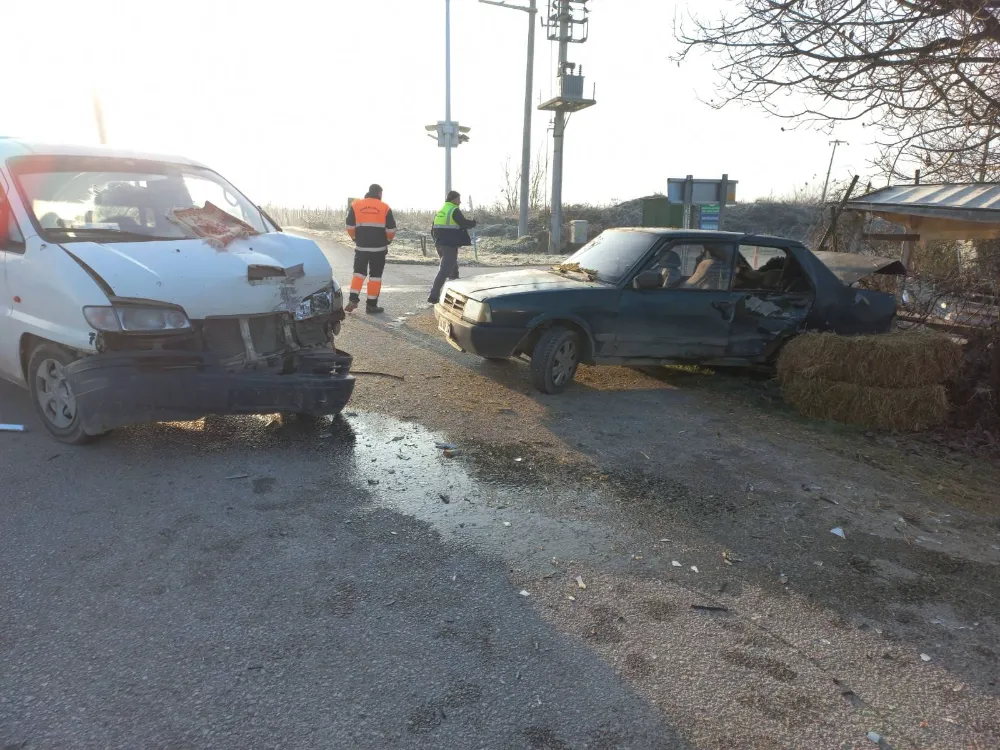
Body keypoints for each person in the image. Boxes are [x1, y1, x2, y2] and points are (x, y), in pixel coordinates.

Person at [345, 184, 396, 314]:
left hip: (361, 248)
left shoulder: (356, 205)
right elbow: (391, 229)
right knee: (375, 277)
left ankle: (353, 299)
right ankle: (371, 305)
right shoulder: (384, 207)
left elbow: (349, 226)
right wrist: (388, 241)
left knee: (358, 274)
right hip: (378, 250)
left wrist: (355, 238)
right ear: (379, 193)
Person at [428, 190, 477, 304]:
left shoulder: (441, 211)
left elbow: (433, 228)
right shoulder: (454, 210)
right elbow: (463, 223)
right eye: (459, 199)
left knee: (453, 269)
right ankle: (433, 296)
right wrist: (473, 223)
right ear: (454, 199)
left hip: (440, 244)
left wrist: (436, 242)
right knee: (445, 270)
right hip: (449, 244)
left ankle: (453, 295)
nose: (460, 201)